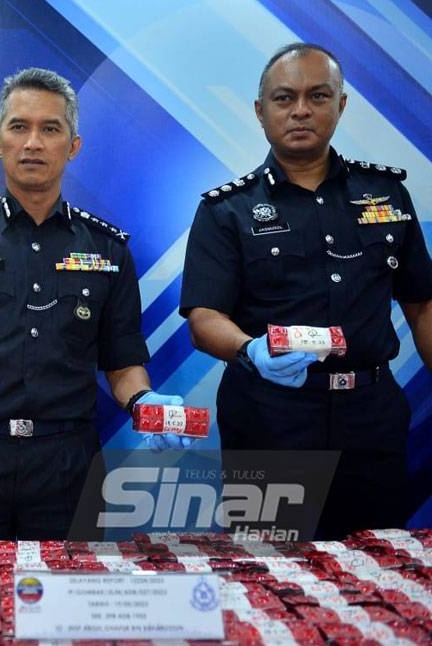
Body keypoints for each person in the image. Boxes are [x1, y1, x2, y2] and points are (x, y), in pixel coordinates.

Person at [0, 67, 188, 544]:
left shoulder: (107, 248)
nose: (33, 143)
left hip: (68, 464)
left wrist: (145, 403)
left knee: (72, 611)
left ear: (74, 146)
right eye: (19, 127)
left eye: (51, 129)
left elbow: (122, 364)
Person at [180, 43, 432, 540]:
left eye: (318, 95)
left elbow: (422, 302)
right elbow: (204, 318)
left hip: (372, 419)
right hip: (271, 421)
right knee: (271, 579)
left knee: (381, 571)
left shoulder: (386, 195)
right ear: (260, 111)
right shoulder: (225, 211)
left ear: (340, 105)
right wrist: (251, 350)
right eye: (283, 98)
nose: (300, 110)